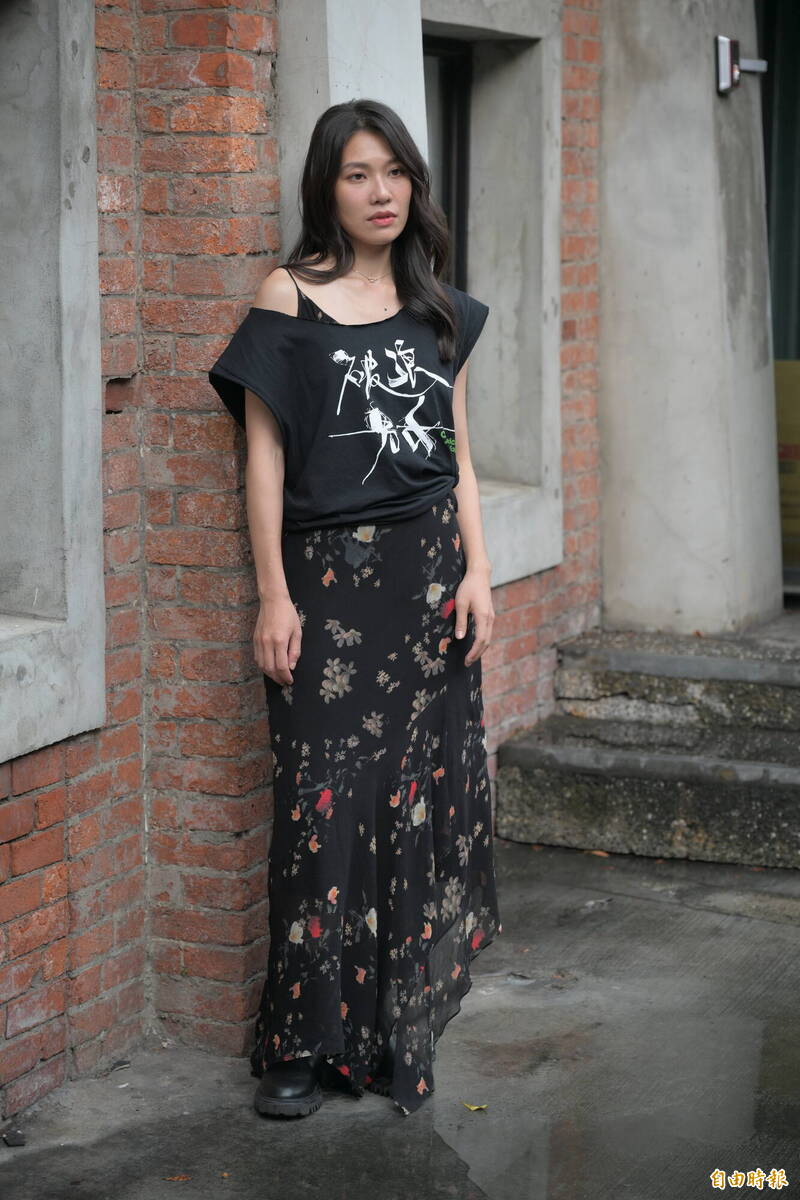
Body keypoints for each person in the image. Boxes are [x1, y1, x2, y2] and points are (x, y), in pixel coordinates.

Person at [208, 97, 502, 1120]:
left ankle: (384, 1032)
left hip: (428, 584)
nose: (381, 193)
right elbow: (262, 455)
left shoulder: (437, 308)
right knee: (318, 806)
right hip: (327, 590)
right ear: (325, 190)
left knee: (411, 805)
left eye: (394, 172)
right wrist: (273, 596)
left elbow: (456, 454)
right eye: (357, 174)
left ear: (413, 182)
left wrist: (478, 570)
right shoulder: (288, 295)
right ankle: (299, 1044)